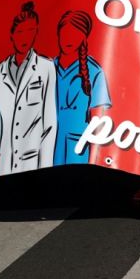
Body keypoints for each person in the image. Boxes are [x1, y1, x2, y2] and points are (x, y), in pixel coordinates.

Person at [0, 2, 57, 176]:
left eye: (30, 32)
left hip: (32, 163)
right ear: (12, 35)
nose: (24, 38)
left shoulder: (46, 68)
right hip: (2, 163)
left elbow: (49, 123)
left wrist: (45, 168)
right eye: (20, 32)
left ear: (36, 33)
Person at [53, 10, 111, 167]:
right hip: (47, 152)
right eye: (65, 34)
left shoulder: (95, 71)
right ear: (58, 34)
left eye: (75, 34)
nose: (68, 40)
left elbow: (99, 123)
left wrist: (94, 163)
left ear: (84, 37)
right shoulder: (47, 68)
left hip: (79, 155)